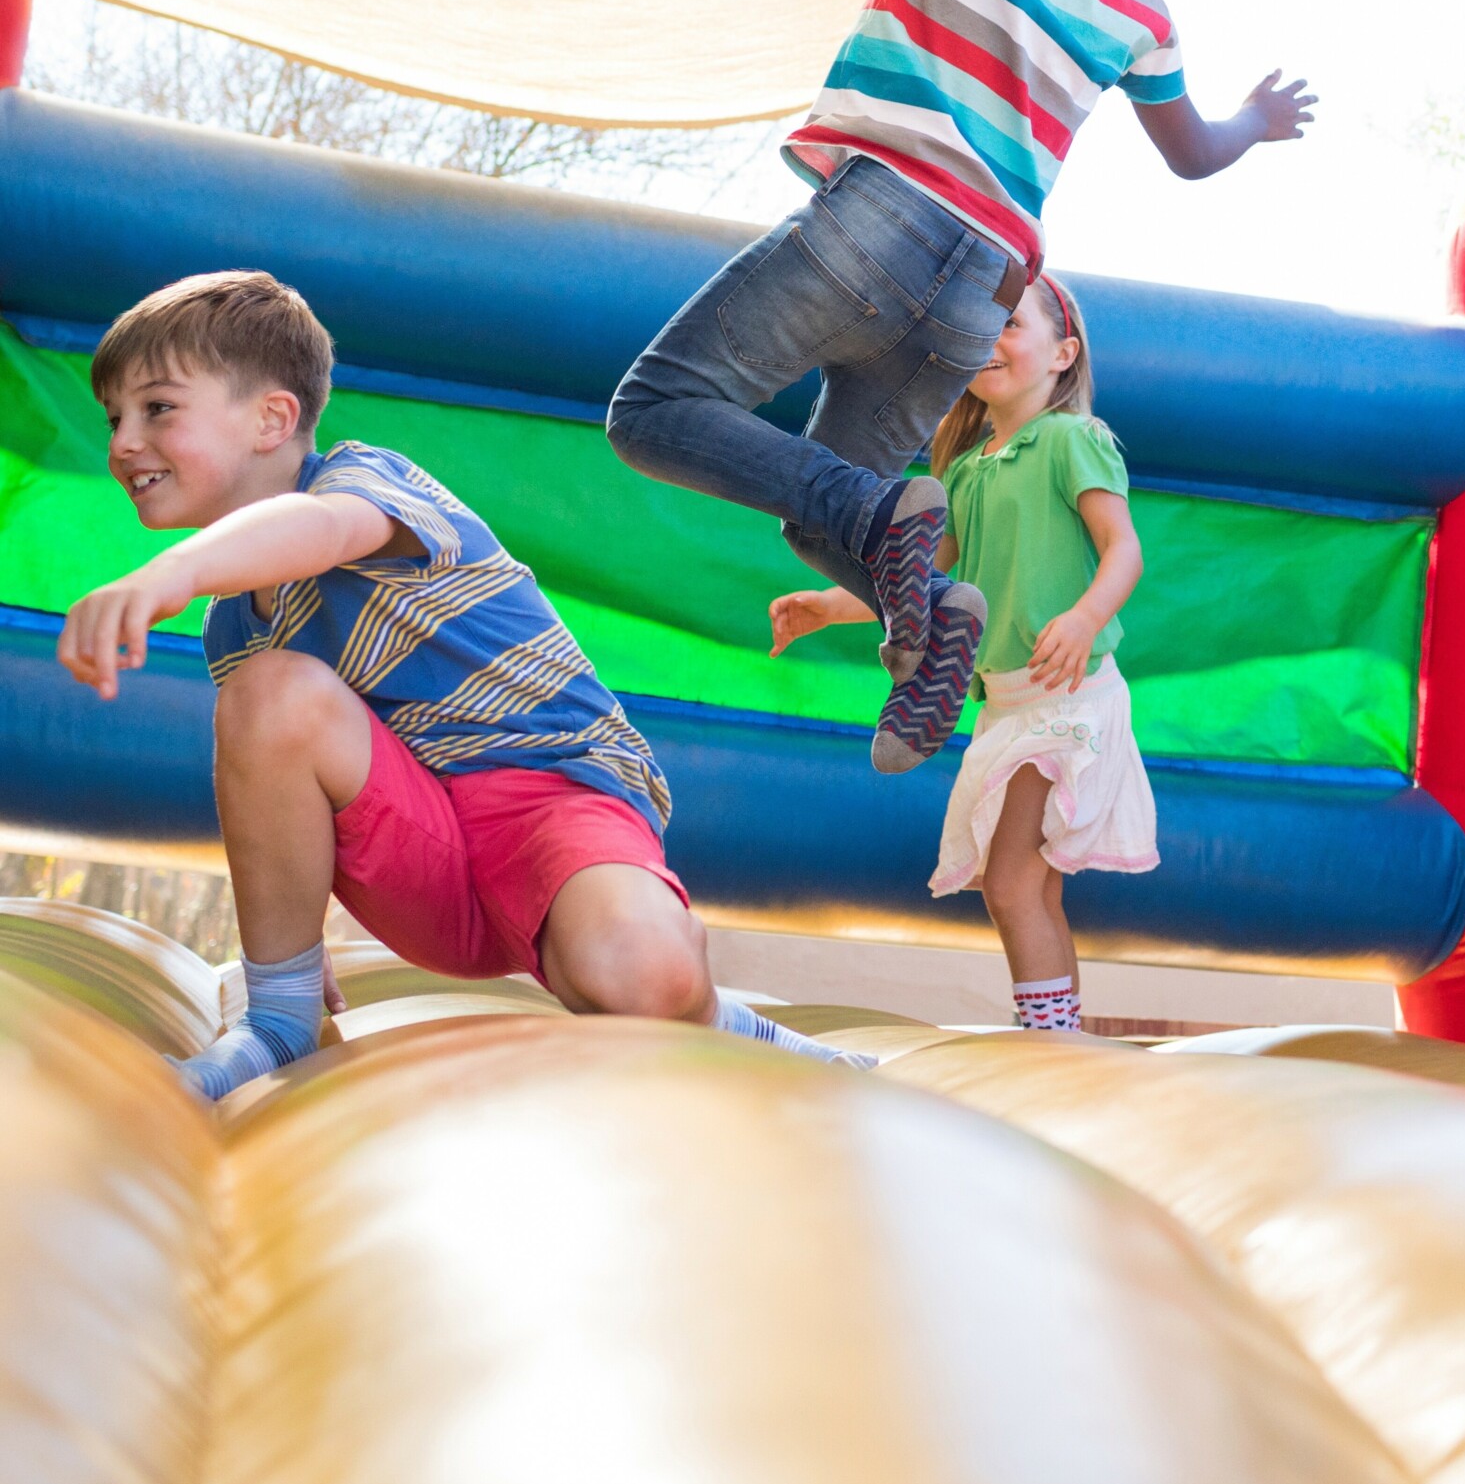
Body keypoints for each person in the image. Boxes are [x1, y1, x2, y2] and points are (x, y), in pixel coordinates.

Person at [607, 0, 1313, 777]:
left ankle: (896, 549)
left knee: (659, 409)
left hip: (883, 216)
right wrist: (1251, 117)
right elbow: (1191, 154)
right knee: (825, 502)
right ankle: (934, 620)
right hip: (984, 282)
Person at [57, 270, 867, 1099]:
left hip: (553, 799)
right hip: (427, 864)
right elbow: (292, 792)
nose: (122, 440)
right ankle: (280, 1021)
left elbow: (320, 530)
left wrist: (174, 572)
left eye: (157, 408)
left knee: (641, 976)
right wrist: (293, 946)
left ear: (273, 417)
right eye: (114, 416)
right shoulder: (239, 628)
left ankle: (718, 1018)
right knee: (270, 695)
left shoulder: (365, 484)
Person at [768, 277, 1154, 1032]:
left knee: (1011, 881)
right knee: (1028, 887)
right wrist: (825, 606)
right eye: (985, 329)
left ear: (1061, 353)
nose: (995, 341)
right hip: (1008, 702)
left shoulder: (1073, 439)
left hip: (1069, 696)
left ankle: (1049, 1038)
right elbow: (924, 578)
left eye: (1012, 325)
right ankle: (1062, 1031)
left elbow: (1124, 550)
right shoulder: (969, 469)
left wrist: (1083, 616)